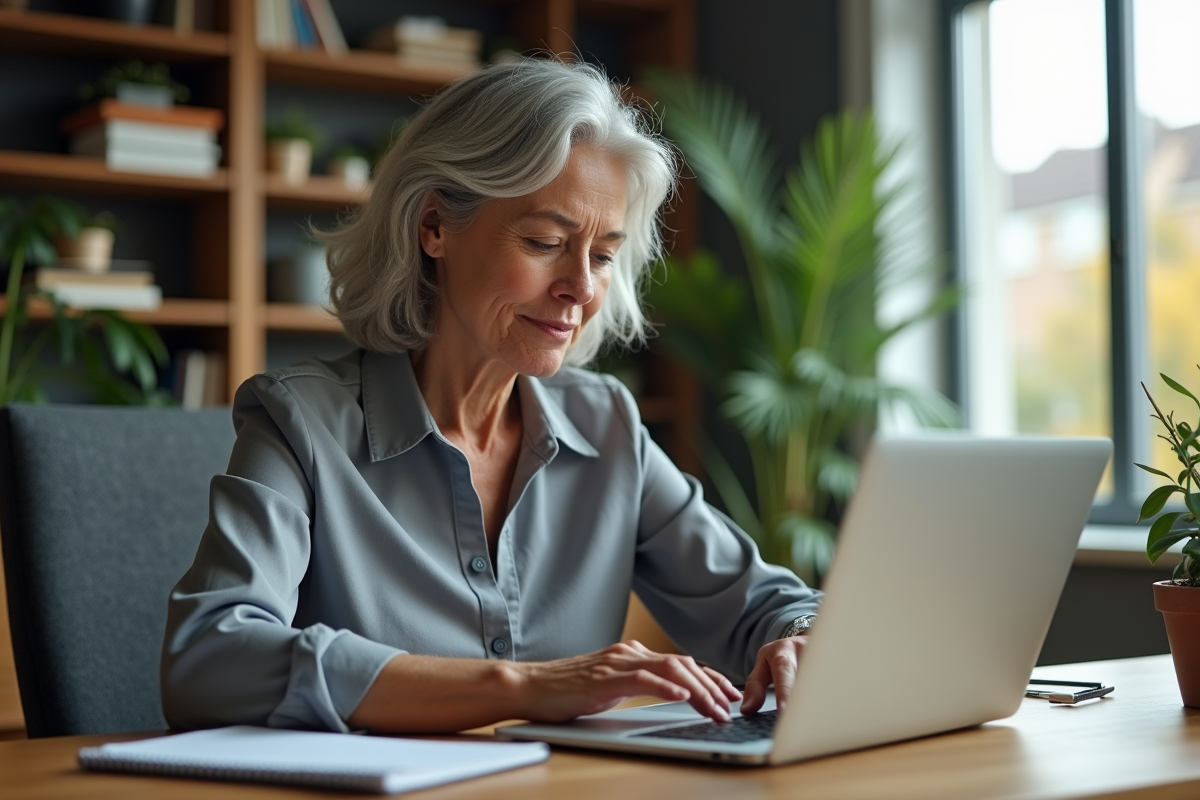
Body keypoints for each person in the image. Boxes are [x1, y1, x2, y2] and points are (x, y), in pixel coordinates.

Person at [161, 59, 821, 735]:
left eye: (601, 256)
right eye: (546, 242)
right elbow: (208, 657)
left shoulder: (607, 424)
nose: (581, 288)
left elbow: (763, 602)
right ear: (434, 228)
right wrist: (522, 686)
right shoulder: (301, 423)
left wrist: (800, 637)